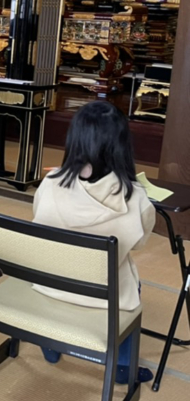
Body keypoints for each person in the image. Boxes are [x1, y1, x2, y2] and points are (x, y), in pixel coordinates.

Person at [32, 101, 156, 385]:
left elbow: (39, 220)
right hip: (107, 295)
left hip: (50, 284)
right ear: (121, 145)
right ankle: (122, 365)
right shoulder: (134, 196)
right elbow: (139, 243)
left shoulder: (50, 182)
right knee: (130, 277)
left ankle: (50, 343)